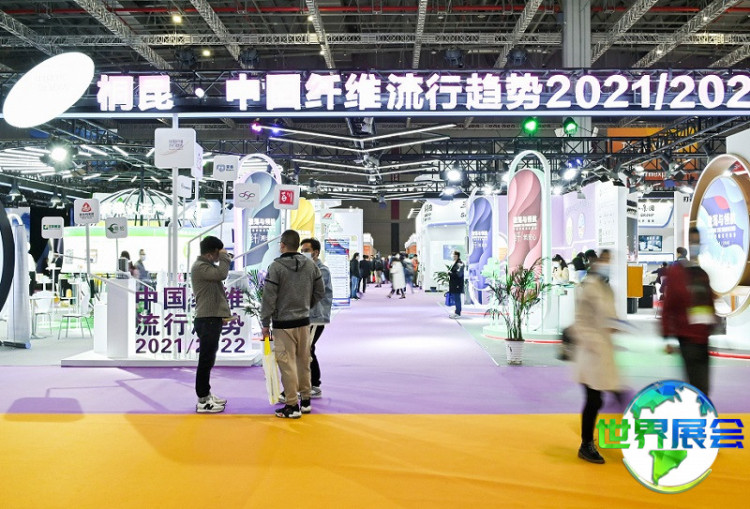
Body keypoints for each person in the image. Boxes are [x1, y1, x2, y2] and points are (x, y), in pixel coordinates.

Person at [261, 229, 325, 419]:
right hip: (304, 321)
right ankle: (305, 401)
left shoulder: (276, 267)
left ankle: (291, 405)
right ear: (297, 245)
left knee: (286, 364)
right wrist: (306, 305)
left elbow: (269, 297)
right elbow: (320, 291)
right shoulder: (310, 265)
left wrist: (265, 322)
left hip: (283, 324)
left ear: (282, 245)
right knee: (303, 361)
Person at [571, 249, 621, 464]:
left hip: (603, 353)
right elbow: (580, 321)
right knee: (593, 399)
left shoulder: (607, 288)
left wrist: (615, 325)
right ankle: (586, 444)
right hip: (590, 354)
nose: (607, 264)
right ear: (597, 261)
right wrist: (592, 340)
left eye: (610, 260)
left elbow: (611, 316)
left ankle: (590, 440)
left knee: (599, 397)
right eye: (605, 259)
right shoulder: (588, 287)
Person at [661, 227, 715, 396]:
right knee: (696, 385)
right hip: (686, 337)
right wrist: (667, 335)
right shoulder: (677, 273)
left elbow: (710, 302)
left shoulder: (702, 274)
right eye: (692, 241)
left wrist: (712, 324)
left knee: (703, 386)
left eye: (697, 242)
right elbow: (668, 306)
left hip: (703, 337)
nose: (695, 245)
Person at [191, 236, 233, 414]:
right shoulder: (200, 267)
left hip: (211, 318)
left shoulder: (206, 266)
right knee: (205, 360)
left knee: (209, 359)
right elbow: (222, 274)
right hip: (206, 319)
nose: (219, 257)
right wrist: (225, 257)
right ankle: (202, 399)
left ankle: (206, 394)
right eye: (218, 254)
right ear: (211, 253)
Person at [301, 238, 332, 399]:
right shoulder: (304, 269)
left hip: (316, 317)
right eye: (302, 251)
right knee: (306, 349)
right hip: (305, 316)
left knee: (308, 349)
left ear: (316, 252)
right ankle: (308, 384)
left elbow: (314, 291)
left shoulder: (322, 270)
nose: (303, 253)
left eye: (306, 250)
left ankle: (315, 384)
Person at [448, 251, 465, 318]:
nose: (453, 257)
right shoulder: (455, 263)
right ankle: (456, 312)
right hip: (454, 284)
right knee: (456, 298)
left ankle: (458, 313)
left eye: (454, 256)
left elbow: (458, 275)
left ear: (457, 256)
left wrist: (450, 273)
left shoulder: (459, 264)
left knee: (457, 298)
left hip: (457, 284)